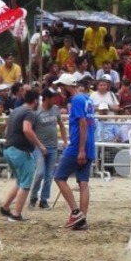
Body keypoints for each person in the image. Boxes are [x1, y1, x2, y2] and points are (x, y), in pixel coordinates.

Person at [53, 73, 96, 231]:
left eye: (61, 86)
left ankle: (75, 212)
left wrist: (80, 150)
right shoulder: (87, 98)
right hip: (89, 144)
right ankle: (82, 219)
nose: (60, 90)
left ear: (66, 86)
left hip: (78, 144)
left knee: (59, 177)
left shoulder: (76, 100)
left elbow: (82, 124)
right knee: (83, 182)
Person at [0, 90, 46, 222]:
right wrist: (40, 145)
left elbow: (7, 129)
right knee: (26, 182)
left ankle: (5, 207)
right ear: (35, 100)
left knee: (20, 181)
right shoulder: (29, 113)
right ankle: (16, 214)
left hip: (9, 149)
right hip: (20, 151)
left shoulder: (16, 110)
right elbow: (26, 129)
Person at [30, 88, 67, 209]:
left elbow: (61, 125)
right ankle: (33, 197)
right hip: (38, 147)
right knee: (40, 173)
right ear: (46, 98)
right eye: (52, 97)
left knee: (49, 175)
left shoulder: (55, 109)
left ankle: (44, 200)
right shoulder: (36, 112)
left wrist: (65, 141)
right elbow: (30, 129)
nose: (55, 99)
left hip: (52, 146)